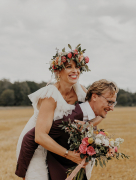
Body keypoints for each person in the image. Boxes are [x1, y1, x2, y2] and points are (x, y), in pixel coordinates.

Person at [16, 44, 102, 180]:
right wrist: (69, 154)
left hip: (60, 140)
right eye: (69, 67)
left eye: (77, 67)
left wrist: (88, 125)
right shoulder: (50, 97)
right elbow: (39, 136)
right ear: (57, 72)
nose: (75, 71)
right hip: (39, 143)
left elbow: (98, 113)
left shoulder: (80, 90)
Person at [15, 79, 118, 180]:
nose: (112, 108)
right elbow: (30, 137)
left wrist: (104, 146)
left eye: (114, 103)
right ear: (94, 96)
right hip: (59, 171)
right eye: (109, 102)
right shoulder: (69, 119)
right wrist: (24, 174)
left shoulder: (91, 117)